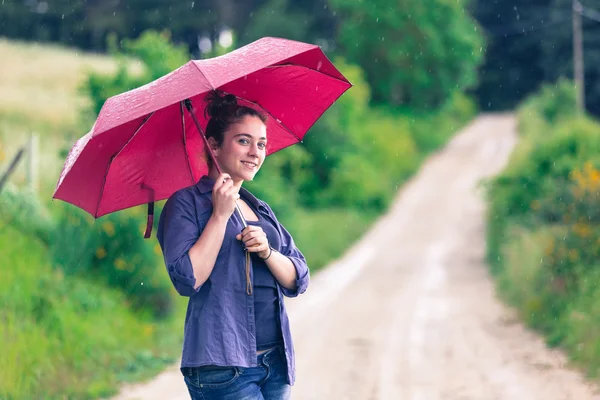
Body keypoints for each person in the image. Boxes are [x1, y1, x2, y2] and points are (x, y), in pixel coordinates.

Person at [157, 90, 310, 400]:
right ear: (213, 145)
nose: (255, 152)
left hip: (275, 363)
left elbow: (299, 277)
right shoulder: (186, 205)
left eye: (262, 144)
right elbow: (188, 279)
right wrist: (219, 216)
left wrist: (268, 252)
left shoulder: (260, 208)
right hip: (223, 366)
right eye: (243, 141)